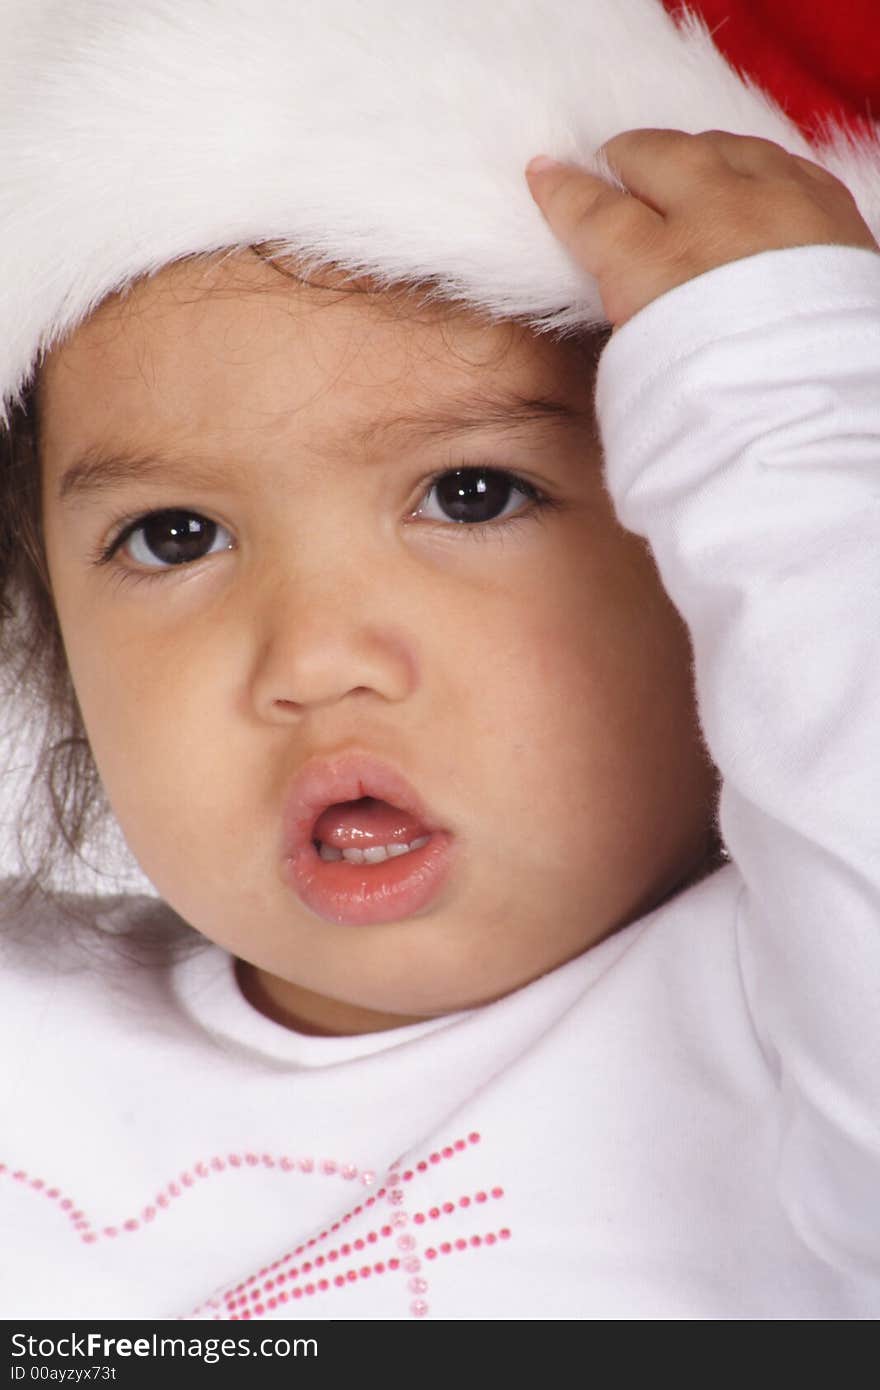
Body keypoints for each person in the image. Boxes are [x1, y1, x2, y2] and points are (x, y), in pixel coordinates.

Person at [1, 1, 878, 1320]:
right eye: (172, 533)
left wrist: (793, 416)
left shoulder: (796, 1034)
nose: (311, 656)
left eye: (473, 493)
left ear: (716, 539)